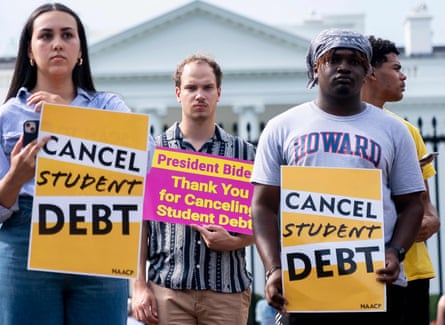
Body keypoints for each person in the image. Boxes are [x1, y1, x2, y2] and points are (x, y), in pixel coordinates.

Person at [250, 28, 425, 325]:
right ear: (316, 68)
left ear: (366, 71)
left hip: (375, 285)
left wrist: (395, 252)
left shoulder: (394, 130)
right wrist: (274, 269)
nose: (344, 66)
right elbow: (262, 205)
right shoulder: (282, 127)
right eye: (333, 59)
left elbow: (412, 203)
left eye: (355, 61)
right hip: (306, 286)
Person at [0, 3, 154, 324]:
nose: (57, 43)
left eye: (67, 35)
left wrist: (68, 118)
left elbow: (146, 157)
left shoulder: (108, 105)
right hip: (25, 245)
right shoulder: (8, 116)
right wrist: (16, 177)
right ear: (30, 51)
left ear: (79, 49)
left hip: (99, 237)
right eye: (45, 36)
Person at [131, 53, 255, 324]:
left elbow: (265, 221)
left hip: (227, 292)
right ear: (178, 93)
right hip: (168, 291)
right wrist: (139, 287)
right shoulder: (154, 152)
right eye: (191, 87)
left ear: (219, 92)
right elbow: (139, 224)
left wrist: (236, 241)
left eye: (207, 87)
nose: (200, 95)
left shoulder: (244, 153)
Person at [361, 35, 441, 325]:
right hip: (354, 272)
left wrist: (426, 221)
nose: (403, 75)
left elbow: (428, 211)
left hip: (414, 272)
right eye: (396, 68)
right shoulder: (334, 132)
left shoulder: (407, 131)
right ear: (370, 71)